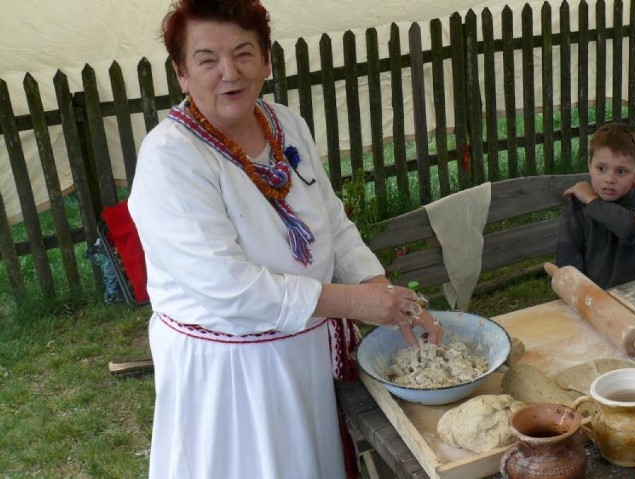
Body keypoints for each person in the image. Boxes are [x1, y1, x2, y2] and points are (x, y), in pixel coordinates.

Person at [127, 1, 443, 477]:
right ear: (182, 73)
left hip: (304, 350)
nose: (229, 72)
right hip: (234, 375)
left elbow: (331, 223)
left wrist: (382, 292)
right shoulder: (171, 158)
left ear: (267, 59)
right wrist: (355, 303)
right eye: (207, 59)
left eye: (243, 52)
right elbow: (229, 286)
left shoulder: (284, 124)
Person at [554, 122, 635, 289]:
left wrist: (592, 199)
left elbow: (628, 228)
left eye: (621, 171)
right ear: (590, 166)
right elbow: (568, 268)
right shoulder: (574, 214)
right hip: (593, 298)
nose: (609, 179)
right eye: (601, 168)